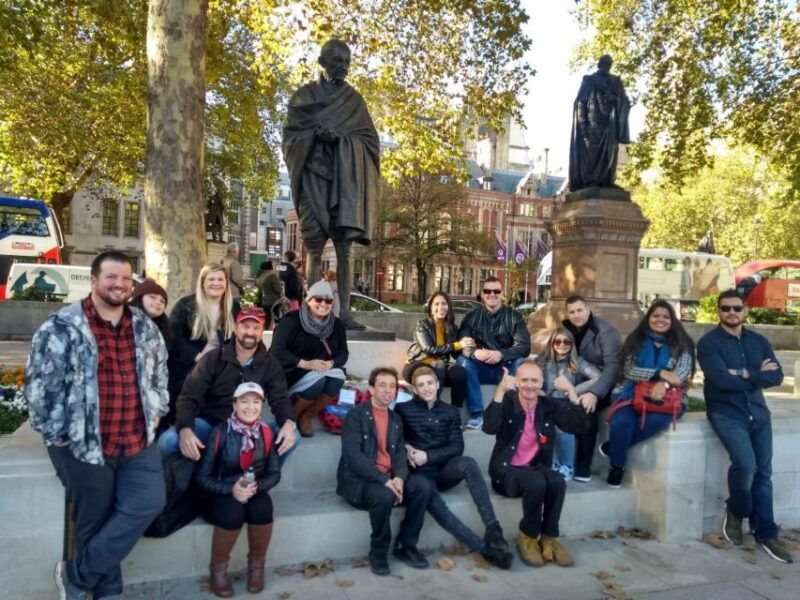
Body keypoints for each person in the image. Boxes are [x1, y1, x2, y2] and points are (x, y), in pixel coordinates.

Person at [25, 251, 168, 599]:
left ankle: (75, 575)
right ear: (93, 281)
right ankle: (107, 591)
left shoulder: (144, 327)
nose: (119, 284)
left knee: (148, 502)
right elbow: (40, 388)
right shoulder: (62, 327)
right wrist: (59, 437)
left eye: (124, 278)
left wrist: (158, 408)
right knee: (93, 520)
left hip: (135, 439)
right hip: (82, 443)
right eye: (111, 278)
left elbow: (160, 373)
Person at [282, 39, 380, 330]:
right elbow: (289, 140)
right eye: (338, 61)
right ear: (322, 61)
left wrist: (341, 139)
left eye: (347, 62)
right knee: (313, 246)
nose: (344, 67)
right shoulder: (303, 98)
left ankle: (345, 312)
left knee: (343, 249)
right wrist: (313, 136)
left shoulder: (354, 101)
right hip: (313, 178)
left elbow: (370, 142)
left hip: (343, 184)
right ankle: (313, 309)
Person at [697, 290, 793, 563]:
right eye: (725, 308)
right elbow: (720, 381)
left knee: (764, 474)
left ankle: (766, 533)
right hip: (726, 413)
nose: (731, 313)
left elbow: (776, 376)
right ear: (718, 311)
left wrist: (742, 372)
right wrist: (756, 374)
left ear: (745, 311)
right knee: (746, 466)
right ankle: (737, 509)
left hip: (759, 414)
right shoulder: (708, 343)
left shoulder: (759, 341)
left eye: (736, 308)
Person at [395, 366, 513, 569]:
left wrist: (428, 456)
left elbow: (457, 447)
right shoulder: (403, 410)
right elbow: (395, 438)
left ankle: (493, 528)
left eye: (430, 383)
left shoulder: (450, 411)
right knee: (440, 508)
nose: (426, 389)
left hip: (442, 472)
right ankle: (485, 550)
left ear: (438, 384)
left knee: (468, 462)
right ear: (414, 389)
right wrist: (405, 446)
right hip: (419, 477)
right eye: (420, 385)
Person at [483, 360, 589, 568]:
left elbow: (580, 425)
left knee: (557, 481)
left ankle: (549, 537)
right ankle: (528, 536)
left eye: (534, 380)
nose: (529, 385)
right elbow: (489, 427)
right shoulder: (508, 402)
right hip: (506, 473)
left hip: (535, 468)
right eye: (524, 380)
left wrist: (571, 393)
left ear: (541, 382)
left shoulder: (547, 406)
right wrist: (499, 391)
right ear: (517, 382)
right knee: (537, 482)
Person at [162, 306, 297, 462]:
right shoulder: (213, 358)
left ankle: (258, 480)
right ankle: (192, 481)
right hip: (211, 424)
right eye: (245, 326)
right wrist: (185, 428)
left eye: (256, 328)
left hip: (250, 427)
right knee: (169, 441)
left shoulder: (270, 364)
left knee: (292, 436)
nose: (250, 333)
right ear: (235, 328)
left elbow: (280, 399)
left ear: (262, 332)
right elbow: (189, 397)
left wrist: (288, 422)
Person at [336, 367, 433, 576]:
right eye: (382, 385)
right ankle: (378, 552)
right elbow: (354, 458)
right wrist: (384, 480)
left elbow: (399, 452)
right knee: (383, 495)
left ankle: (406, 545)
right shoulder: (355, 416)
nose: (388, 391)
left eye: (392, 386)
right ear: (371, 389)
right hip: (361, 481)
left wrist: (399, 477)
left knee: (423, 486)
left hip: (389, 478)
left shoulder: (395, 419)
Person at [196, 382, 281, 596]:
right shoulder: (220, 432)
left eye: (256, 402)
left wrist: (257, 486)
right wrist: (230, 489)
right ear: (234, 404)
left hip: (252, 488)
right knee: (233, 512)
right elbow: (202, 477)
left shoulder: (267, 432)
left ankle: (256, 567)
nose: (250, 407)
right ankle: (218, 570)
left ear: (262, 405)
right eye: (244, 401)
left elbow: (274, 473)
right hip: (220, 490)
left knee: (263, 508)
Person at [602, 300, 695, 487]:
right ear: (648, 318)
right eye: (656, 316)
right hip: (632, 394)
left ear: (672, 320)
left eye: (665, 317)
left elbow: (681, 373)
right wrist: (658, 373)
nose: (660, 320)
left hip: (669, 398)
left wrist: (664, 384)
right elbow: (629, 370)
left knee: (656, 420)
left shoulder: (683, 343)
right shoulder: (636, 340)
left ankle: (612, 448)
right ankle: (617, 466)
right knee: (621, 422)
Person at [270, 281, 348, 437]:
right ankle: (291, 416)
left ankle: (307, 415)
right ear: (308, 300)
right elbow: (277, 351)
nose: (323, 304)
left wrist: (331, 363)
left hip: (322, 369)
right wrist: (305, 364)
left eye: (328, 300)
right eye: (318, 299)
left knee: (336, 380)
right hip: (293, 370)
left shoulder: (336, 324)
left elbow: (343, 353)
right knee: (318, 382)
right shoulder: (291, 321)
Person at [167, 264, 239, 426]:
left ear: (226, 283)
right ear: (202, 282)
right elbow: (173, 338)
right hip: (190, 365)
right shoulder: (186, 305)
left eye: (220, 279)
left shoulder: (233, 307)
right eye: (211, 279)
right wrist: (197, 356)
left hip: (223, 365)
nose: (216, 283)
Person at [456, 276, 531, 429]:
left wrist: (501, 354)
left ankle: (513, 412)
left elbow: (524, 346)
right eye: (487, 291)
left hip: (505, 368)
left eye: (496, 291)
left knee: (520, 363)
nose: (492, 294)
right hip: (480, 369)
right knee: (462, 361)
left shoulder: (514, 316)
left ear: (502, 293)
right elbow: (462, 340)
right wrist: (475, 353)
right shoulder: (471, 317)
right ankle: (477, 414)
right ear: (482, 294)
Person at [562, 295, 622, 482]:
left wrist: (595, 393)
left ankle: (583, 467)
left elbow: (613, 368)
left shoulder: (605, 331)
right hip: (574, 378)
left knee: (586, 408)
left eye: (579, 310)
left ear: (588, 309)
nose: (576, 315)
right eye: (572, 311)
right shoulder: (565, 327)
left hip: (603, 382)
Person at [536, 327, 601, 480]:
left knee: (564, 426)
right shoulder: (543, 360)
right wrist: (539, 390)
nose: (562, 345)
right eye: (557, 341)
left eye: (567, 342)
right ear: (551, 343)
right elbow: (529, 375)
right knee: (547, 426)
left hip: (567, 403)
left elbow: (598, 377)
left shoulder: (578, 361)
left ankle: (566, 466)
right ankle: (553, 464)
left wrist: (573, 389)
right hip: (546, 402)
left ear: (572, 344)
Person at [568, 54, 631, 191]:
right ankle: (590, 182)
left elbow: (624, 100)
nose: (607, 67)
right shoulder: (589, 80)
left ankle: (607, 181)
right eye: (605, 64)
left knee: (610, 152)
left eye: (609, 64)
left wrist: (615, 98)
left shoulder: (616, 81)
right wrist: (583, 124)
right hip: (593, 124)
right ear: (600, 64)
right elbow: (580, 103)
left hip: (610, 124)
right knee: (591, 155)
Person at [403, 291, 471, 407]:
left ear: (448, 307)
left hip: (439, 366)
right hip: (417, 365)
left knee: (459, 372)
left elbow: (455, 353)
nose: (441, 307)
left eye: (444, 304)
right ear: (431, 308)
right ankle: (433, 408)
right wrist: (458, 345)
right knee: (438, 368)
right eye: (437, 304)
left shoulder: (451, 327)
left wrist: (469, 344)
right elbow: (429, 349)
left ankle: (455, 411)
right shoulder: (422, 325)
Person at [130, 278, 173, 350]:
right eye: (152, 297)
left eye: (162, 301)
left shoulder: (163, 329)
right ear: (139, 298)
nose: (158, 302)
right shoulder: (124, 320)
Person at [255, 261, 283, 329]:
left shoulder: (261, 276)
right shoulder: (272, 276)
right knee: (275, 319)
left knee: (267, 319)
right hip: (274, 302)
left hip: (265, 301)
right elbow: (278, 289)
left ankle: (265, 331)